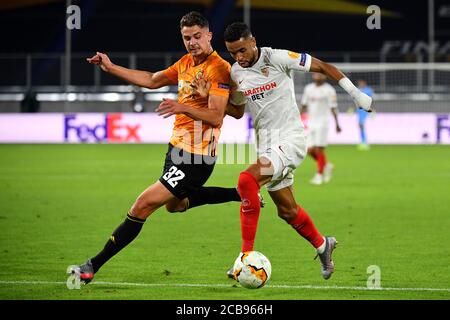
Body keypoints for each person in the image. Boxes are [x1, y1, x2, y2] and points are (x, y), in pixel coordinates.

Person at [70, 12, 252, 285]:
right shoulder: (186, 63)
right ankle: (238, 193)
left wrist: (181, 107)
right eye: (187, 38)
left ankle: (91, 265)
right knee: (175, 206)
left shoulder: (218, 68)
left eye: (197, 36)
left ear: (209, 35)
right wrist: (112, 67)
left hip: (195, 158)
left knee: (142, 205)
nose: (192, 42)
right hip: (176, 150)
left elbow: (216, 116)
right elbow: (152, 79)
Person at [219, 22, 372, 280]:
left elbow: (323, 66)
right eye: (233, 53)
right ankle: (324, 245)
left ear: (253, 41)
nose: (239, 58)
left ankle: (244, 259)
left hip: (290, 141)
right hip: (267, 147)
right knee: (287, 211)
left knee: (246, 180)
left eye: (242, 50)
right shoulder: (236, 73)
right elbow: (236, 111)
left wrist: (355, 94)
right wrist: (209, 100)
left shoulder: (276, 57)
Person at [300, 73, 341, 185]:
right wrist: (298, 119)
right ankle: (327, 165)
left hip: (323, 122)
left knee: (319, 149)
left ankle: (319, 175)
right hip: (311, 122)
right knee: (308, 150)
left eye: (320, 75)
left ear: (324, 76)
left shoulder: (329, 90)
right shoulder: (308, 88)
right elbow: (304, 105)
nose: (318, 76)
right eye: (316, 74)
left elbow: (333, 107)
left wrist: (337, 124)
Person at [354, 79, 374, 150]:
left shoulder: (368, 90)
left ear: (364, 82)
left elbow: (372, 100)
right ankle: (363, 141)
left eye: (361, 82)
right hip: (359, 110)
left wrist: (373, 109)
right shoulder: (358, 90)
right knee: (360, 125)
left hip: (365, 110)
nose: (360, 84)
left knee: (361, 124)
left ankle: (364, 142)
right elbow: (355, 100)